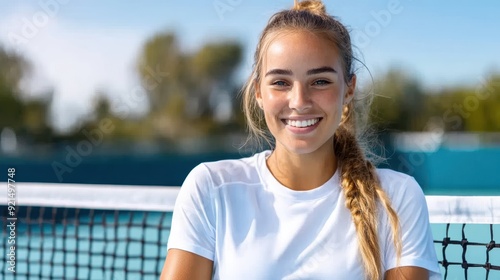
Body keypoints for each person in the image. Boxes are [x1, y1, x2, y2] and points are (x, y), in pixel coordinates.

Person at [160, 0, 441, 279]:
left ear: (348, 89)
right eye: (280, 82)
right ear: (258, 92)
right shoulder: (211, 187)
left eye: (320, 81)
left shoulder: (397, 198)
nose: (299, 102)